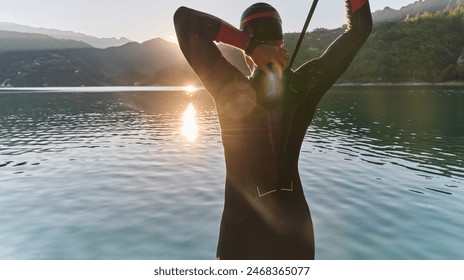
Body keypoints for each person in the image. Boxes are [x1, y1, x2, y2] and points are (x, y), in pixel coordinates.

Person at [173, 0, 372, 260]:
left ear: (247, 56)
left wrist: (251, 45)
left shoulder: (229, 88)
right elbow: (360, 29)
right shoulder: (305, 85)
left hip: (241, 231)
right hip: (296, 229)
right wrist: (255, 46)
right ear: (282, 45)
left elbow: (184, 21)